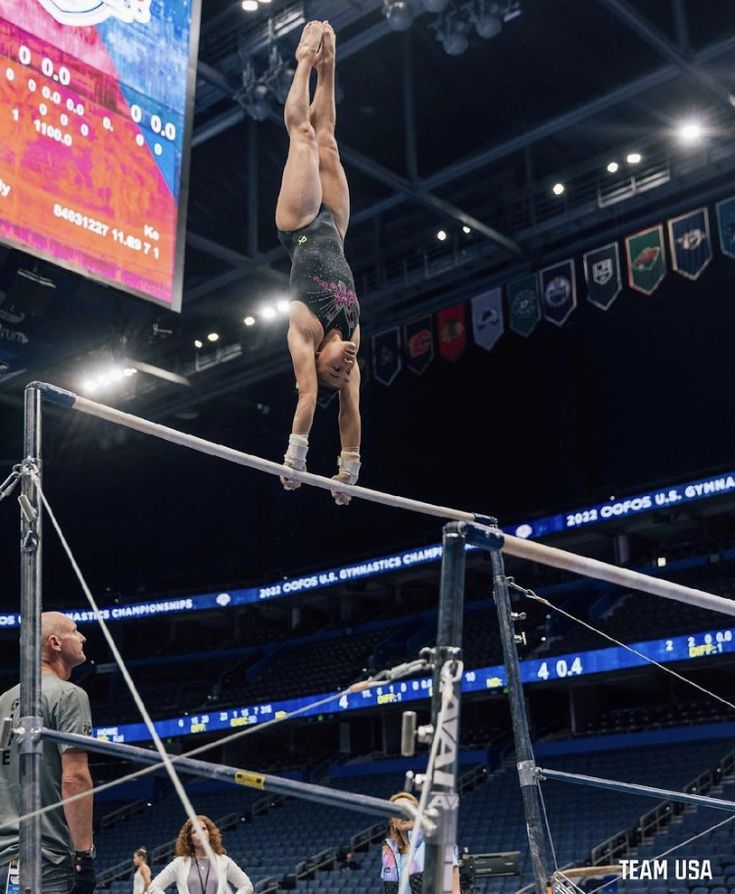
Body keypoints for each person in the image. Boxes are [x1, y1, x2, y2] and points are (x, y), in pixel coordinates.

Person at [276, 20, 362, 506]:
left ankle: (304, 59)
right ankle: (330, 66)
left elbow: (309, 397)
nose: (346, 365)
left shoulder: (302, 331)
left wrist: (297, 459)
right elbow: (350, 409)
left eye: (335, 370)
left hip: (301, 224)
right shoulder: (351, 334)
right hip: (337, 227)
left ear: (314, 363)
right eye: (346, 371)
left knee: (304, 134)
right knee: (328, 139)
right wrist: (349, 466)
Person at [0, 611, 95, 894]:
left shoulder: (3, 701)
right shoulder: (69, 695)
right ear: (55, 643)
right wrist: (83, 857)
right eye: (75, 631)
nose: (83, 637)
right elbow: (74, 779)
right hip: (47, 858)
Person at [148, 815, 253, 894]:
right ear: (190, 839)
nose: (200, 833)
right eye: (194, 831)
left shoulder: (224, 861)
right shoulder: (179, 863)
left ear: (210, 834)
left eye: (203, 829)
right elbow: (153, 887)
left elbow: (247, 885)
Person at [381, 791, 461, 894]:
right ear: (393, 824)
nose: (403, 814)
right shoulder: (389, 853)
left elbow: (455, 891)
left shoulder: (437, 844)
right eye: (397, 811)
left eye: (408, 809)